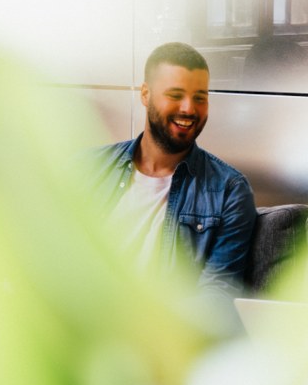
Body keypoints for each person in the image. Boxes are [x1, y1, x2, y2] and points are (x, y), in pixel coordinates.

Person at [86, 42, 256, 301]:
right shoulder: (90, 168)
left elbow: (216, 297)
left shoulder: (230, 191)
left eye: (200, 97)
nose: (189, 108)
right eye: (175, 95)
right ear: (145, 94)